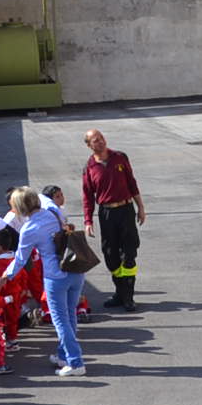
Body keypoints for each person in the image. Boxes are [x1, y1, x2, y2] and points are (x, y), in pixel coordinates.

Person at [7, 188, 85, 375]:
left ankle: (75, 363)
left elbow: (20, 259)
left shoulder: (29, 229)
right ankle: (64, 355)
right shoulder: (52, 213)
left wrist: (6, 275)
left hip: (55, 276)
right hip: (75, 270)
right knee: (70, 316)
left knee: (60, 320)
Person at [79, 130, 146, 311]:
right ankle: (120, 292)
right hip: (107, 214)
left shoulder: (120, 157)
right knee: (111, 254)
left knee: (129, 252)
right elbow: (87, 196)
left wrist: (140, 207)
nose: (100, 142)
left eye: (101, 138)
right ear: (89, 146)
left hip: (125, 210)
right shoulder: (89, 167)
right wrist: (88, 221)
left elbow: (132, 182)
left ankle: (128, 297)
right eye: (95, 140)